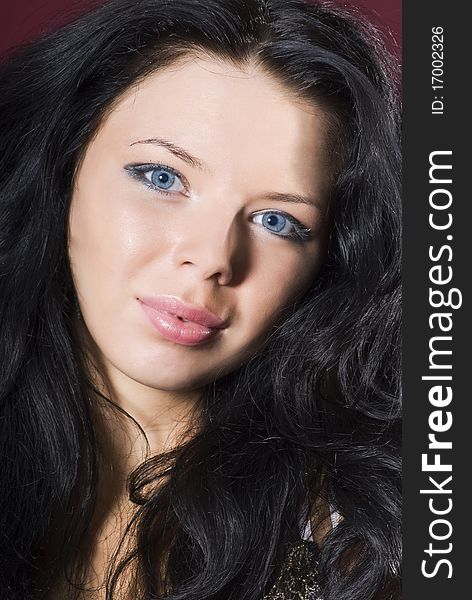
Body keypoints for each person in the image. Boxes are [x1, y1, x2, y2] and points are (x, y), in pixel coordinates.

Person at [0, 0, 401, 598]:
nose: (214, 256)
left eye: (276, 220)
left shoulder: (360, 540)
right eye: (161, 178)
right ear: (63, 169)